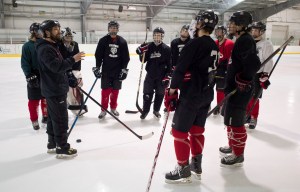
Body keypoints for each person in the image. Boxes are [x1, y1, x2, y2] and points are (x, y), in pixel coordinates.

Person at [164, 10, 219, 183]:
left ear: (202, 24)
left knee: (179, 132)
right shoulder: (214, 44)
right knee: (196, 131)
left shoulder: (193, 44)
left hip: (191, 95)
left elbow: (180, 69)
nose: (195, 24)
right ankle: (196, 165)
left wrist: (172, 90)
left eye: (197, 21)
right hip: (206, 95)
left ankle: (183, 169)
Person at [36, 20, 85, 158]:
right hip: (54, 89)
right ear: (47, 32)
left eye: (59, 29)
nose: (59, 31)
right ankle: (62, 148)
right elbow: (56, 67)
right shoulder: (46, 48)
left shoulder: (51, 46)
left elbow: (58, 68)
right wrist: (73, 59)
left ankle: (52, 144)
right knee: (61, 120)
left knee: (53, 119)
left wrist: (68, 77)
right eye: (56, 29)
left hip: (55, 87)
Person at [219, 11, 261, 166]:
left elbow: (254, 64)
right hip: (235, 88)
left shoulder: (245, 40)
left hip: (240, 90)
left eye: (234, 22)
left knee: (236, 122)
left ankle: (238, 154)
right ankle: (232, 146)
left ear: (242, 25)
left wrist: (244, 80)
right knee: (230, 119)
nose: (230, 25)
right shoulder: (241, 39)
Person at [94, 20, 130, 119]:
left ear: (117, 29)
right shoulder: (103, 40)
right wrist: (97, 67)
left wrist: (124, 70)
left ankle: (113, 108)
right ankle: (103, 109)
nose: (113, 29)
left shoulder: (122, 41)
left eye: (115, 28)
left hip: (117, 71)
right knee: (105, 91)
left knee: (115, 91)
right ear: (108, 29)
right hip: (106, 71)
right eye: (111, 27)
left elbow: (126, 58)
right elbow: (98, 55)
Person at [136, 27, 171, 119]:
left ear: (162, 36)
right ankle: (145, 111)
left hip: (161, 77)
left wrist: (167, 76)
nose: (157, 37)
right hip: (150, 76)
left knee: (160, 95)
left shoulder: (167, 49)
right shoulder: (148, 46)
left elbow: (169, 64)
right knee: (147, 94)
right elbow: (143, 61)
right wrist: (141, 53)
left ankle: (156, 110)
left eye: (159, 35)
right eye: (155, 35)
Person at [21, 22, 48, 130]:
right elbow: (24, 62)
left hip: (46, 74)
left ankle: (46, 116)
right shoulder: (27, 46)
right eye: (39, 31)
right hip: (34, 74)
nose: (41, 33)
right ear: (34, 32)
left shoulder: (45, 43)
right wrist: (29, 75)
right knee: (33, 100)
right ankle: (34, 119)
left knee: (45, 97)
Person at [246, 21, 273, 129]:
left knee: (254, 97)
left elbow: (269, 60)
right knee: (245, 96)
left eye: (256, 30)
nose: (254, 32)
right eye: (252, 30)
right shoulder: (248, 42)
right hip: (247, 72)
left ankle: (253, 117)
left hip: (257, 74)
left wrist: (265, 73)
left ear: (261, 32)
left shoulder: (266, 44)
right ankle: (247, 115)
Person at [59, 27, 88, 116]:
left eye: (71, 36)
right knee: (69, 90)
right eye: (67, 36)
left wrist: (76, 70)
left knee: (79, 85)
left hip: (75, 70)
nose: (69, 38)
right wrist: (68, 72)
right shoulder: (59, 45)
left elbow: (78, 58)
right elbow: (61, 60)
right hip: (64, 71)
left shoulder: (75, 44)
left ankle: (79, 106)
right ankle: (73, 107)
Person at [163, 24, 191, 112]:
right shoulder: (174, 42)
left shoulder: (192, 42)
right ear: (180, 31)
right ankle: (170, 104)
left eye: (187, 30)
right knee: (173, 88)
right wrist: (171, 68)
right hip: (176, 69)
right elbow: (172, 56)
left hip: (187, 70)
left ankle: (182, 105)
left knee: (185, 89)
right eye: (184, 30)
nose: (185, 31)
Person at [213, 25, 234, 115]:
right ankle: (207, 104)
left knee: (220, 88)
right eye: (216, 31)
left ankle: (219, 106)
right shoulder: (214, 43)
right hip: (214, 68)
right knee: (208, 87)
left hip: (224, 68)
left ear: (224, 32)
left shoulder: (229, 43)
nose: (217, 33)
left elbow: (230, 59)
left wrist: (228, 70)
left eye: (219, 31)